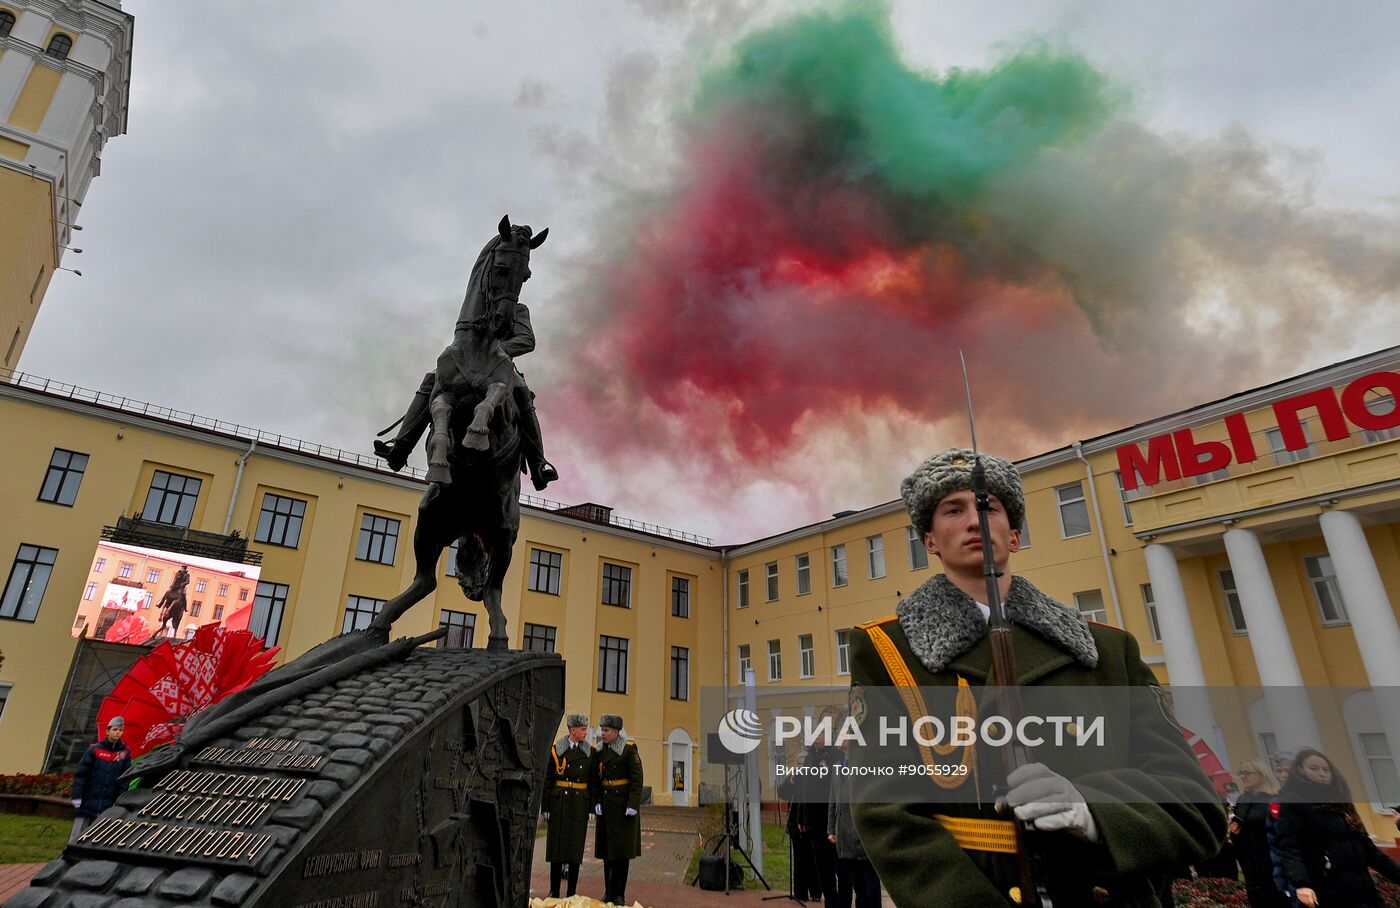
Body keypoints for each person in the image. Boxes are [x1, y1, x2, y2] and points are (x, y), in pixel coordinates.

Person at [849, 448, 1226, 907]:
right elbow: (888, 817)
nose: (974, 521)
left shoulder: (1108, 651)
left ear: (1015, 535)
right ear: (930, 541)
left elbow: (1196, 807)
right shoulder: (890, 652)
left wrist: (1089, 809)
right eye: (954, 509)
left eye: (989, 507)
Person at [373, 227, 558, 490]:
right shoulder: (475, 306)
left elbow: (527, 340)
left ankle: (539, 463)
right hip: (465, 361)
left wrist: (497, 349)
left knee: (522, 392)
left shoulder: (517, 309)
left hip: (498, 365)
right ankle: (400, 447)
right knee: (431, 381)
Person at [1275, 747, 1400, 907]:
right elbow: (1290, 848)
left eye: (1326, 769)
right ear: (1300, 770)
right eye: (1314, 768)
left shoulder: (1341, 801)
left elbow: (1369, 850)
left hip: (1363, 888)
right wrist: (1302, 884)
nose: (1322, 773)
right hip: (1328, 890)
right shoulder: (1293, 804)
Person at [590, 714, 643, 905]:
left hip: (623, 809)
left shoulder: (629, 751)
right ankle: (608, 891)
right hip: (606, 806)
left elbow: (637, 780)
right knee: (607, 853)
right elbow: (596, 780)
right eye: (602, 730)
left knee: (621, 854)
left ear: (616, 732)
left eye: (606, 730)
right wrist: (596, 801)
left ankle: (619, 893)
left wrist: (632, 804)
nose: (602, 733)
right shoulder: (600, 751)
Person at [828, 737, 882, 908]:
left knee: (870, 885)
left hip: (863, 834)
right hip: (844, 836)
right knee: (857, 884)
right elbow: (832, 800)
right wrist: (831, 829)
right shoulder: (837, 766)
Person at [1230, 759, 1291, 908]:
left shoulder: (1274, 800)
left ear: (1262, 775)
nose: (1243, 776)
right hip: (1251, 866)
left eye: (1247, 773)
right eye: (1240, 773)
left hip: (1272, 864)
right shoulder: (1243, 800)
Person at [544, 713, 593, 899]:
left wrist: (590, 808)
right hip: (559, 804)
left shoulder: (589, 753)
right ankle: (554, 890)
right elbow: (548, 780)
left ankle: (572, 892)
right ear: (573, 730)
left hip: (579, 804)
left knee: (574, 850)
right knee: (556, 850)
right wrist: (546, 807)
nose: (585, 732)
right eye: (582, 729)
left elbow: (593, 782)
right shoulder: (557, 750)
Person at [70, 716, 131, 843]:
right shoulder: (94, 750)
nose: (117, 732)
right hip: (87, 801)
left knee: (98, 837)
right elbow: (81, 775)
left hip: (108, 803)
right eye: (114, 729)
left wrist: (119, 799)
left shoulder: (125, 753)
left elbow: (125, 779)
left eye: (120, 730)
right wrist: (77, 797)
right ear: (107, 731)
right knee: (77, 836)